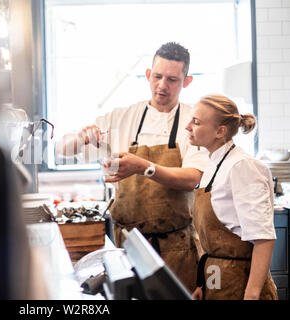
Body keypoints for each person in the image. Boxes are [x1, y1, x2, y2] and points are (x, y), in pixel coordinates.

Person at [57, 42, 209, 292]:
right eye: (157, 76)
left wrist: (144, 167)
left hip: (177, 248)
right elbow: (62, 151)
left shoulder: (193, 121)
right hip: (126, 249)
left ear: (187, 81)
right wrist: (81, 137)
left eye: (172, 79)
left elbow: (192, 178)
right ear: (148, 75)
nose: (162, 85)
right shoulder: (121, 117)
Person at [186, 94, 278, 300]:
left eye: (196, 122)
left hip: (242, 283)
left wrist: (252, 295)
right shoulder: (213, 164)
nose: (187, 127)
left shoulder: (242, 167)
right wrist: (205, 285)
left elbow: (264, 239)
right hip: (218, 279)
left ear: (220, 131)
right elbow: (215, 251)